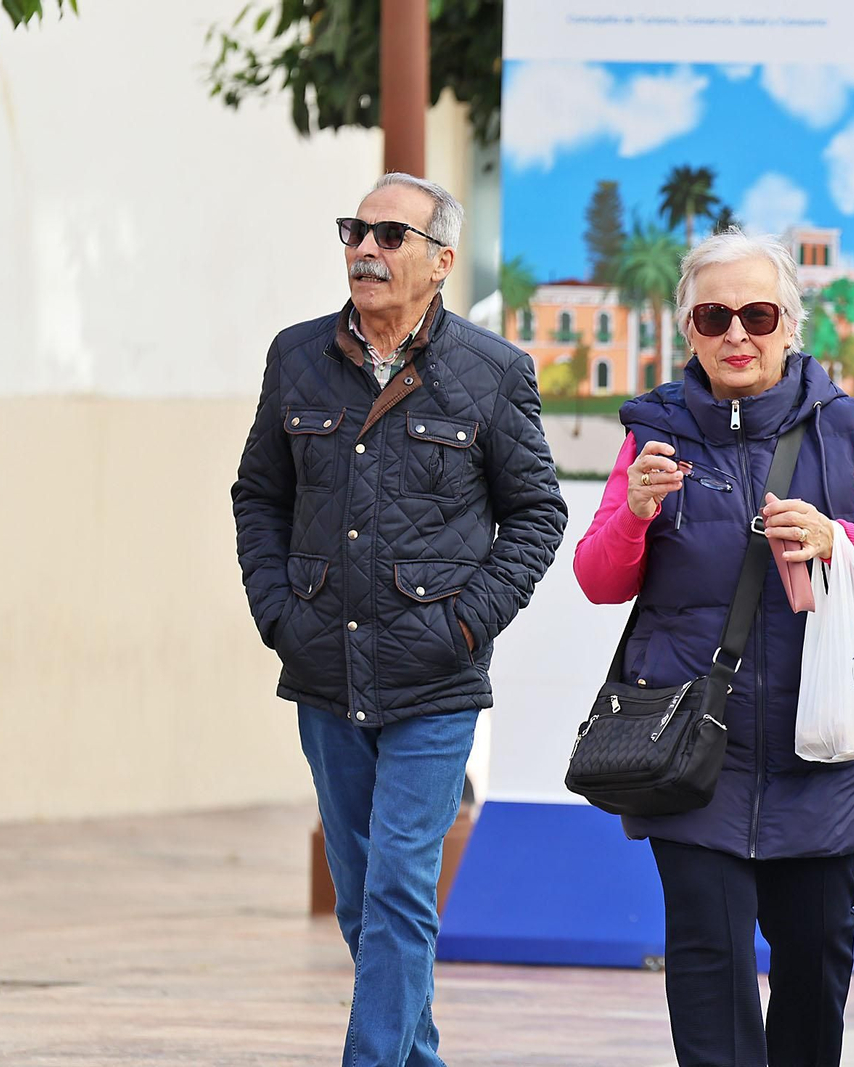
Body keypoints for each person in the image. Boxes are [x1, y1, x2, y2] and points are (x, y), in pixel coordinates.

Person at [573, 228, 854, 1067]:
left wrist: (837, 537)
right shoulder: (654, 434)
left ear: (789, 327)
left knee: (813, 967)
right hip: (692, 753)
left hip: (824, 749)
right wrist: (633, 509)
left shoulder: (846, 430)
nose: (738, 333)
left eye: (759, 313)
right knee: (708, 966)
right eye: (715, 315)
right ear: (689, 330)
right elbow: (598, 578)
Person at [232, 172, 567, 1066]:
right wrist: (278, 612)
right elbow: (258, 495)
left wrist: (465, 625)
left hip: (434, 676)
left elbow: (537, 512)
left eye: (389, 234)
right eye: (355, 230)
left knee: (399, 893)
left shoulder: (493, 373)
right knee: (360, 897)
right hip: (323, 665)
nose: (365, 248)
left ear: (441, 261)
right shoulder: (294, 357)